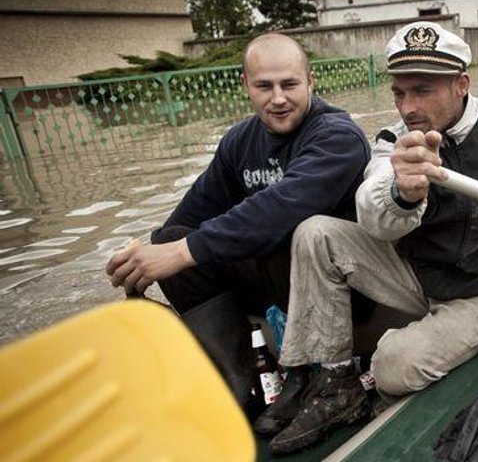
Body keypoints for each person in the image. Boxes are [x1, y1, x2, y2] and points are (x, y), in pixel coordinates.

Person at [260, 21, 478, 454]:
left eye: (422, 90)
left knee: (393, 366)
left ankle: (383, 394)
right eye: (399, 92)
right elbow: (374, 218)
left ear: (461, 84)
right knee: (315, 233)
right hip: (419, 278)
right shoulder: (393, 143)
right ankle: (334, 380)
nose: (408, 106)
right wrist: (403, 193)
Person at [105, 31, 370, 342]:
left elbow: (279, 210)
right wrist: (147, 259)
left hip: (338, 290)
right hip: (275, 283)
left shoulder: (338, 137)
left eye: (289, 84)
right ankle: (239, 370)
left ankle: (315, 365)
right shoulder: (239, 139)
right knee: (170, 238)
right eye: (263, 86)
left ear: (310, 81)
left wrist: (180, 253)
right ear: (245, 85)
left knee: (278, 236)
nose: (278, 98)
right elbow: (193, 212)